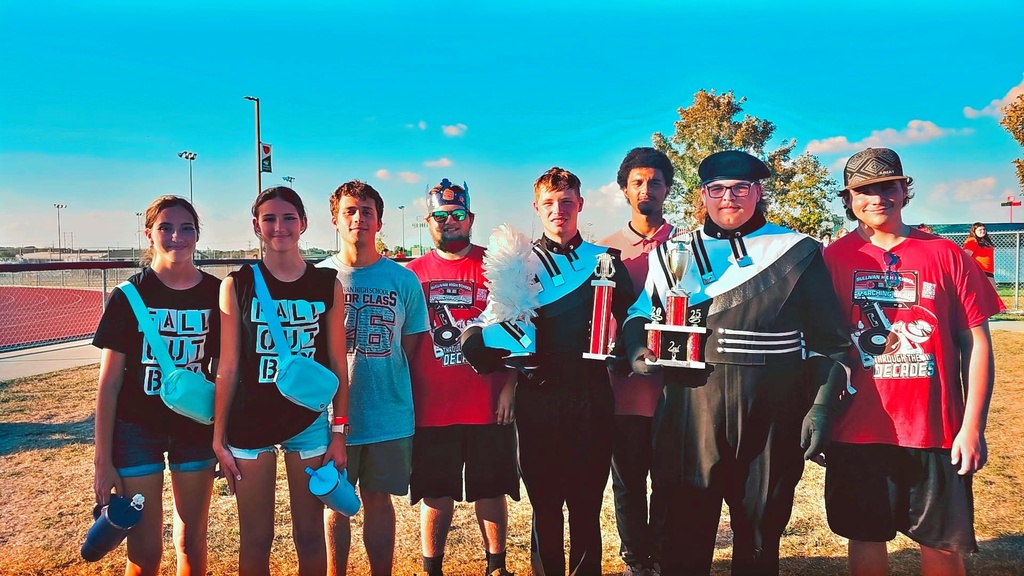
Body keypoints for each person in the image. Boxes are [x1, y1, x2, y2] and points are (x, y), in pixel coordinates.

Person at [621, 150, 852, 575]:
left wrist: (821, 407)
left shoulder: (797, 249)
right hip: (691, 415)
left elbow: (830, 342)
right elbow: (639, 314)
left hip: (772, 416)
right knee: (682, 538)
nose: (729, 198)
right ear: (703, 195)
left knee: (760, 538)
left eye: (740, 188)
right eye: (717, 189)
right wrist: (636, 350)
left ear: (758, 191)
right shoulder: (674, 252)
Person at [824, 148, 1004, 576]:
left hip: (936, 431)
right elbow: (819, 346)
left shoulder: (947, 254)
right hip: (857, 429)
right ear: (848, 199)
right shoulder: (832, 259)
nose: (877, 198)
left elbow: (976, 345)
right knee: (866, 536)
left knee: (942, 546)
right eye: (863, 190)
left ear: (905, 190)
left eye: (888, 186)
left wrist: (972, 427)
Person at [462, 167, 637, 576]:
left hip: (591, 394)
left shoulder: (605, 262)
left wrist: (625, 345)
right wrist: (474, 342)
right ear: (536, 209)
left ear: (580, 204)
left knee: (586, 503)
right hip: (538, 396)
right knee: (544, 503)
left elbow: (631, 323)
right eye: (549, 203)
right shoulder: (518, 263)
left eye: (566, 202)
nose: (558, 210)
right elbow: (492, 323)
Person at [213, 186, 350, 575]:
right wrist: (218, 437)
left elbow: (338, 363)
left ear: (304, 224)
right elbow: (229, 366)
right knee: (256, 538)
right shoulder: (236, 284)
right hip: (250, 423)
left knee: (309, 537)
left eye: (289, 217)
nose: (279, 227)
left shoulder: (327, 284)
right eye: (269, 219)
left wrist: (338, 432)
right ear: (256, 226)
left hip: (307, 424)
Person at [92, 195, 219, 575]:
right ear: (149, 234)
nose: (176, 236)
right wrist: (102, 459)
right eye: (166, 227)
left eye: (186, 228)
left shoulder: (217, 293)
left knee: (191, 540)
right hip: (136, 430)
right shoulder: (128, 296)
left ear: (197, 235)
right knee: (145, 551)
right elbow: (109, 384)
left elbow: (225, 372)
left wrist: (223, 434)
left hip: (195, 428)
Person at [405, 179, 519, 576]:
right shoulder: (410, 275)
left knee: (490, 488)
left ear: (470, 218)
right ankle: (431, 568)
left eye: (457, 215)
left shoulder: (497, 268)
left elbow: (521, 333)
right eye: (440, 216)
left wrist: (509, 386)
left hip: (487, 402)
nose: (449, 222)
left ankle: (496, 566)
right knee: (435, 492)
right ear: (428, 221)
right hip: (431, 403)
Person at [318, 180, 429, 576]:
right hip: (329, 419)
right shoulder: (318, 276)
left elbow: (411, 346)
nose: (358, 218)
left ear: (379, 221)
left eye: (366, 211)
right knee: (335, 503)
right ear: (335, 219)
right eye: (349, 211)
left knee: (379, 501)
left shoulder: (403, 280)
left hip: (388, 411)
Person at [597, 148, 676, 576]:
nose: (647, 189)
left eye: (656, 181)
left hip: (674, 389)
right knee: (627, 481)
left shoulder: (688, 245)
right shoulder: (603, 249)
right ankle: (635, 558)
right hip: (621, 387)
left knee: (668, 478)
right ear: (624, 188)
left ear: (667, 188)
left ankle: (661, 554)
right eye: (638, 182)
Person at [964, 221, 998, 289]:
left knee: (992, 292)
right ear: (974, 231)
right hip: (978, 271)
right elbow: (966, 256)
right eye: (980, 230)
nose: (983, 231)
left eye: (984, 229)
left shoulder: (986, 241)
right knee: (984, 292)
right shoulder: (972, 240)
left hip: (988, 271)